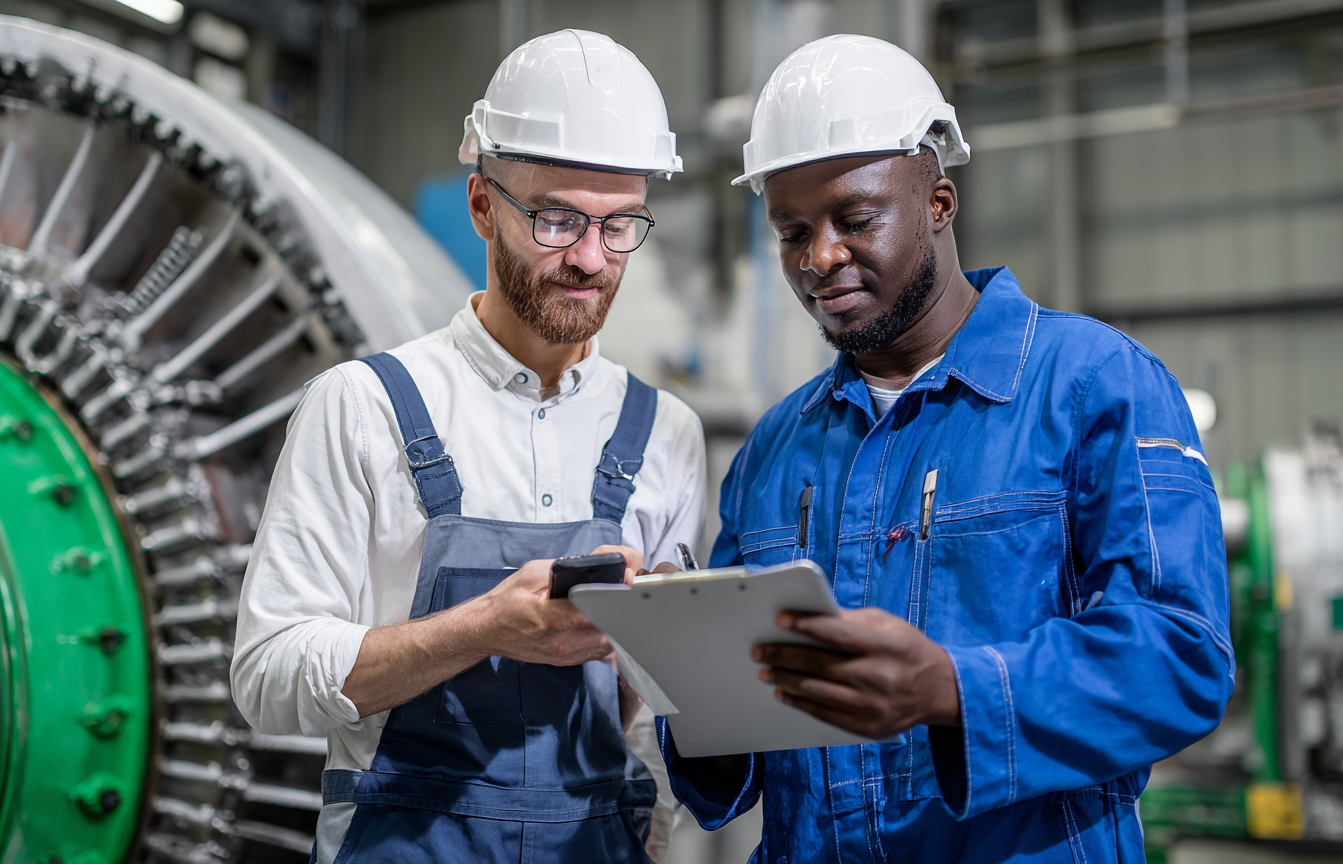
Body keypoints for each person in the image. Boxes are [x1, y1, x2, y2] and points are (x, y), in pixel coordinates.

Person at [658, 35, 1232, 862]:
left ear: (938, 203)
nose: (821, 258)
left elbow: (1181, 656)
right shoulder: (777, 449)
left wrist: (955, 691)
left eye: (855, 219)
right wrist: (673, 672)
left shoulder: (1091, 385)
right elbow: (732, 759)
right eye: (792, 232)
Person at [230, 29, 705, 864]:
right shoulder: (363, 405)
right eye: (557, 219)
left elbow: (644, 722)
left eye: (621, 224)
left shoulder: (665, 431)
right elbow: (267, 677)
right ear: (484, 205)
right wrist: (483, 627)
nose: (591, 259)